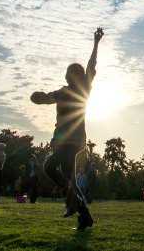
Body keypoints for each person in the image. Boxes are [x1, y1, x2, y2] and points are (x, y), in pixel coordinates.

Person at [31, 27, 103, 230]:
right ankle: (82, 214)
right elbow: (46, 98)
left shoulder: (84, 88)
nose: (66, 74)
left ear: (74, 75)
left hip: (74, 139)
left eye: (69, 72)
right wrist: (38, 97)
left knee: (50, 167)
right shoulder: (61, 92)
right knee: (63, 173)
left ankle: (74, 202)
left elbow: (91, 65)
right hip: (63, 140)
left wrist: (96, 43)